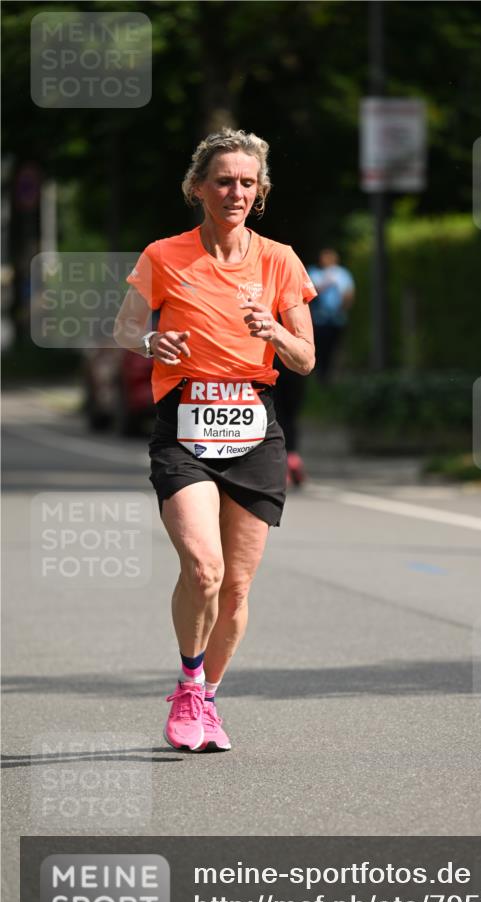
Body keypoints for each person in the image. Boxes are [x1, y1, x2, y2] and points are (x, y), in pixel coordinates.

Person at [113, 129, 316, 752]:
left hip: (255, 428)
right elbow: (124, 328)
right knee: (204, 569)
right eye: (223, 180)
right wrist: (152, 342)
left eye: (247, 183)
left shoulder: (280, 260)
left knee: (235, 591)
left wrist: (273, 331)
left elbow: (305, 358)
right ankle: (188, 683)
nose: (235, 191)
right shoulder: (164, 256)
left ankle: (206, 698)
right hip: (185, 426)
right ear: (198, 187)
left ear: (260, 193)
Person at [273, 248, 354, 485]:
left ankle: (290, 460)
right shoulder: (310, 279)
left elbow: (348, 293)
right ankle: (291, 458)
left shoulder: (337, 275)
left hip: (288, 364)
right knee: (286, 415)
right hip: (289, 362)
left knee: (284, 415)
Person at [307, 248, 354, 384]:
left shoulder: (343, 274)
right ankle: (320, 379)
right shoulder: (314, 272)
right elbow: (309, 294)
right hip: (318, 320)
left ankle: (333, 380)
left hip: (337, 320)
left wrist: (342, 309)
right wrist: (326, 284)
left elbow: (349, 294)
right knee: (320, 351)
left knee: (335, 350)